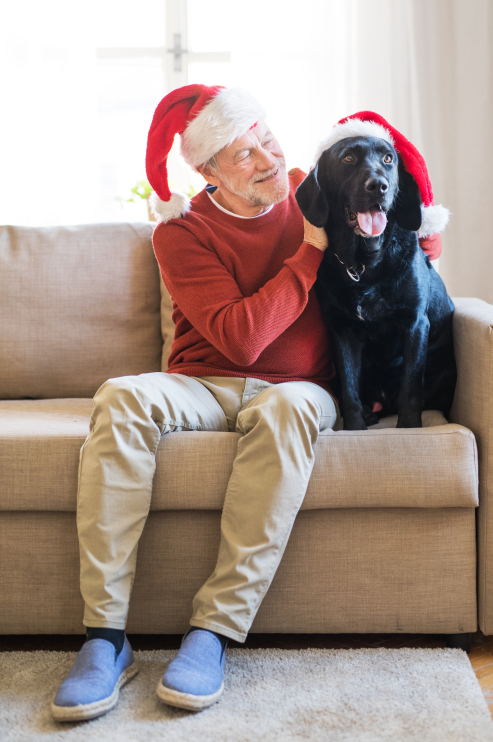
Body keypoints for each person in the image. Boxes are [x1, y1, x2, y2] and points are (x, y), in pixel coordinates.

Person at [51, 84, 443, 722]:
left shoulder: (311, 191)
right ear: (207, 171)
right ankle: (105, 638)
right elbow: (241, 339)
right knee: (121, 397)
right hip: (202, 382)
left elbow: (401, 235)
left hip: (296, 391)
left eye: (266, 139)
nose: (266, 161)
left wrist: (420, 239)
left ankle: (213, 633)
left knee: (289, 410)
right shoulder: (182, 234)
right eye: (242, 155)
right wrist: (311, 252)